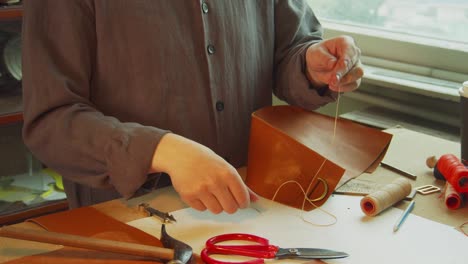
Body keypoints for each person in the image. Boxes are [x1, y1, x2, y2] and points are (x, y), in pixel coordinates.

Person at [21, 1, 363, 214]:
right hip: (130, 220)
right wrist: (163, 151)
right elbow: (51, 119)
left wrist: (311, 64)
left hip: (250, 206)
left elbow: (287, 51)